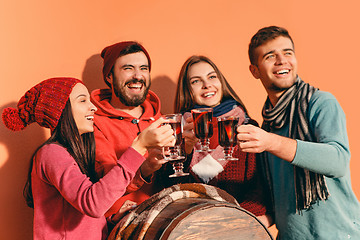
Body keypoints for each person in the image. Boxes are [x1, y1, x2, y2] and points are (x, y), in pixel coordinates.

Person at [1, 77, 174, 239]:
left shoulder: (74, 154)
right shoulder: (51, 153)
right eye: (82, 100)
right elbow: (93, 204)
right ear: (61, 111)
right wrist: (139, 146)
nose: (93, 107)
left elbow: (78, 220)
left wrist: (111, 221)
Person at [238, 26, 360, 239]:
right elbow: (279, 203)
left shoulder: (321, 103)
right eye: (270, 56)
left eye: (287, 53)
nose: (282, 60)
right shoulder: (267, 126)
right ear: (254, 71)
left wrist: (271, 143)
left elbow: (338, 161)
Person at [172, 55, 272, 226]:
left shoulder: (246, 127)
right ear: (187, 90)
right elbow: (172, 191)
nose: (207, 84)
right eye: (196, 81)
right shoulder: (177, 131)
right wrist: (186, 148)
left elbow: (258, 192)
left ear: (221, 82)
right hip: (192, 230)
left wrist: (228, 223)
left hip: (236, 227)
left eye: (212, 77)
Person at [91, 41, 167, 220]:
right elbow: (105, 184)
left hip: (165, 220)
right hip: (121, 224)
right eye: (128, 68)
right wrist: (145, 168)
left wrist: (188, 148)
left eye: (144, 68)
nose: (138, 76)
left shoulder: (159, 118)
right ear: (109, 76)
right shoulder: (94, 122)